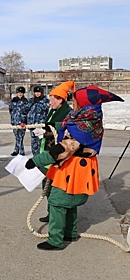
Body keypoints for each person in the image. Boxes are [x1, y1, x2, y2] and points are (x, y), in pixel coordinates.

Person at [25, 84, 123, 250]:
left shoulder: (85, 124)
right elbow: (67, 124)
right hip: (76, 166)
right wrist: (48, 128)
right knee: (69, 202)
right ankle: (70, 232)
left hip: (74, 167)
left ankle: (55, 240)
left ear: (84, 102)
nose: (73, 102)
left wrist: (37, 160)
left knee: (58, 202)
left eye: (75, 99)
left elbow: (64, 148)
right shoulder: (87, 116)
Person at [37, 81, 74, 223]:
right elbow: (49, 126)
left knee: (54, 185)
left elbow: (64, 132)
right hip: (47, 149)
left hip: (57, 153)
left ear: (60, 99)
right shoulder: (54, 110)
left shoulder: (67, 113)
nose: (50, 103)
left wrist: (46, 133)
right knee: (47, 184)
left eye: (52, 100)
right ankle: (50, 212)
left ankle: (56, 215)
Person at [27, 86, 49, 156]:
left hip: (41, 125)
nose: (37, 94)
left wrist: (39, 103)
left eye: (39, 92)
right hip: (32, 124)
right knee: (34, 142)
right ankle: (35, 157)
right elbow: (26, 109)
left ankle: (40, 158)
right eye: (36, 92)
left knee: (40, 142)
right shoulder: (31, 100)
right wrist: (31, 103)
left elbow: (46, 108)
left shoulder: (45, 100)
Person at [9, 86, 29, 156]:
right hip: (15, 121)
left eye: (21, 93)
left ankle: (21, 150)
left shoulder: (25, 101)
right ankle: (17, 150)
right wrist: (13, 118)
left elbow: (27, 111)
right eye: (19, 93)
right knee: (17, 136)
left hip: (22, 121)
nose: (20, 94)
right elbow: (10, 110)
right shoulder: (13, 101)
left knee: (21, 136)